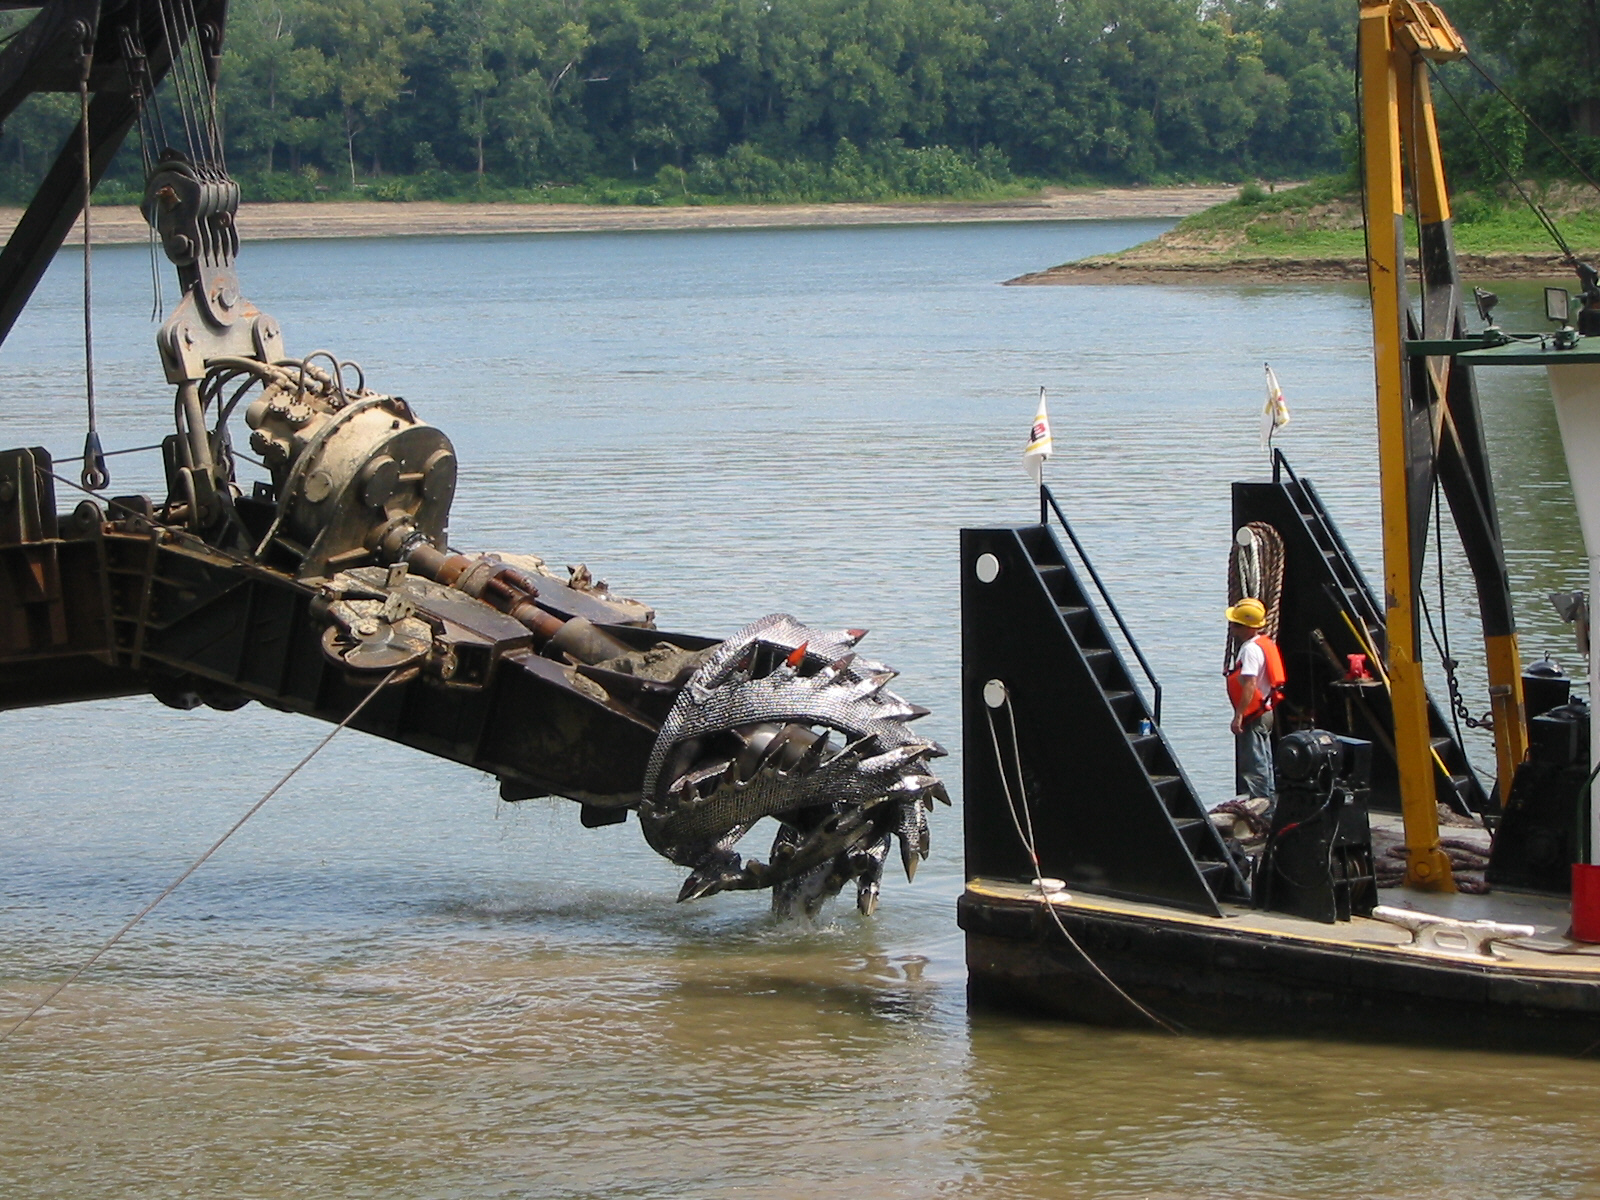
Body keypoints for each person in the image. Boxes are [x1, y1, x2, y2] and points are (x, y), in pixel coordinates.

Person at [1224, 597, 1286, 804]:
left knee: (1255, 764)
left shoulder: (1250, 650)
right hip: (1264, 711)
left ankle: (1262, 811)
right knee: (1264, 759)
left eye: (1236, 624)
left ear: (1246, 627)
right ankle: (1268, 804)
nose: (1232, 627)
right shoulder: (1262, 644)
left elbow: (1249, 684)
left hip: (1255, 714)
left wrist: (1238, 716)